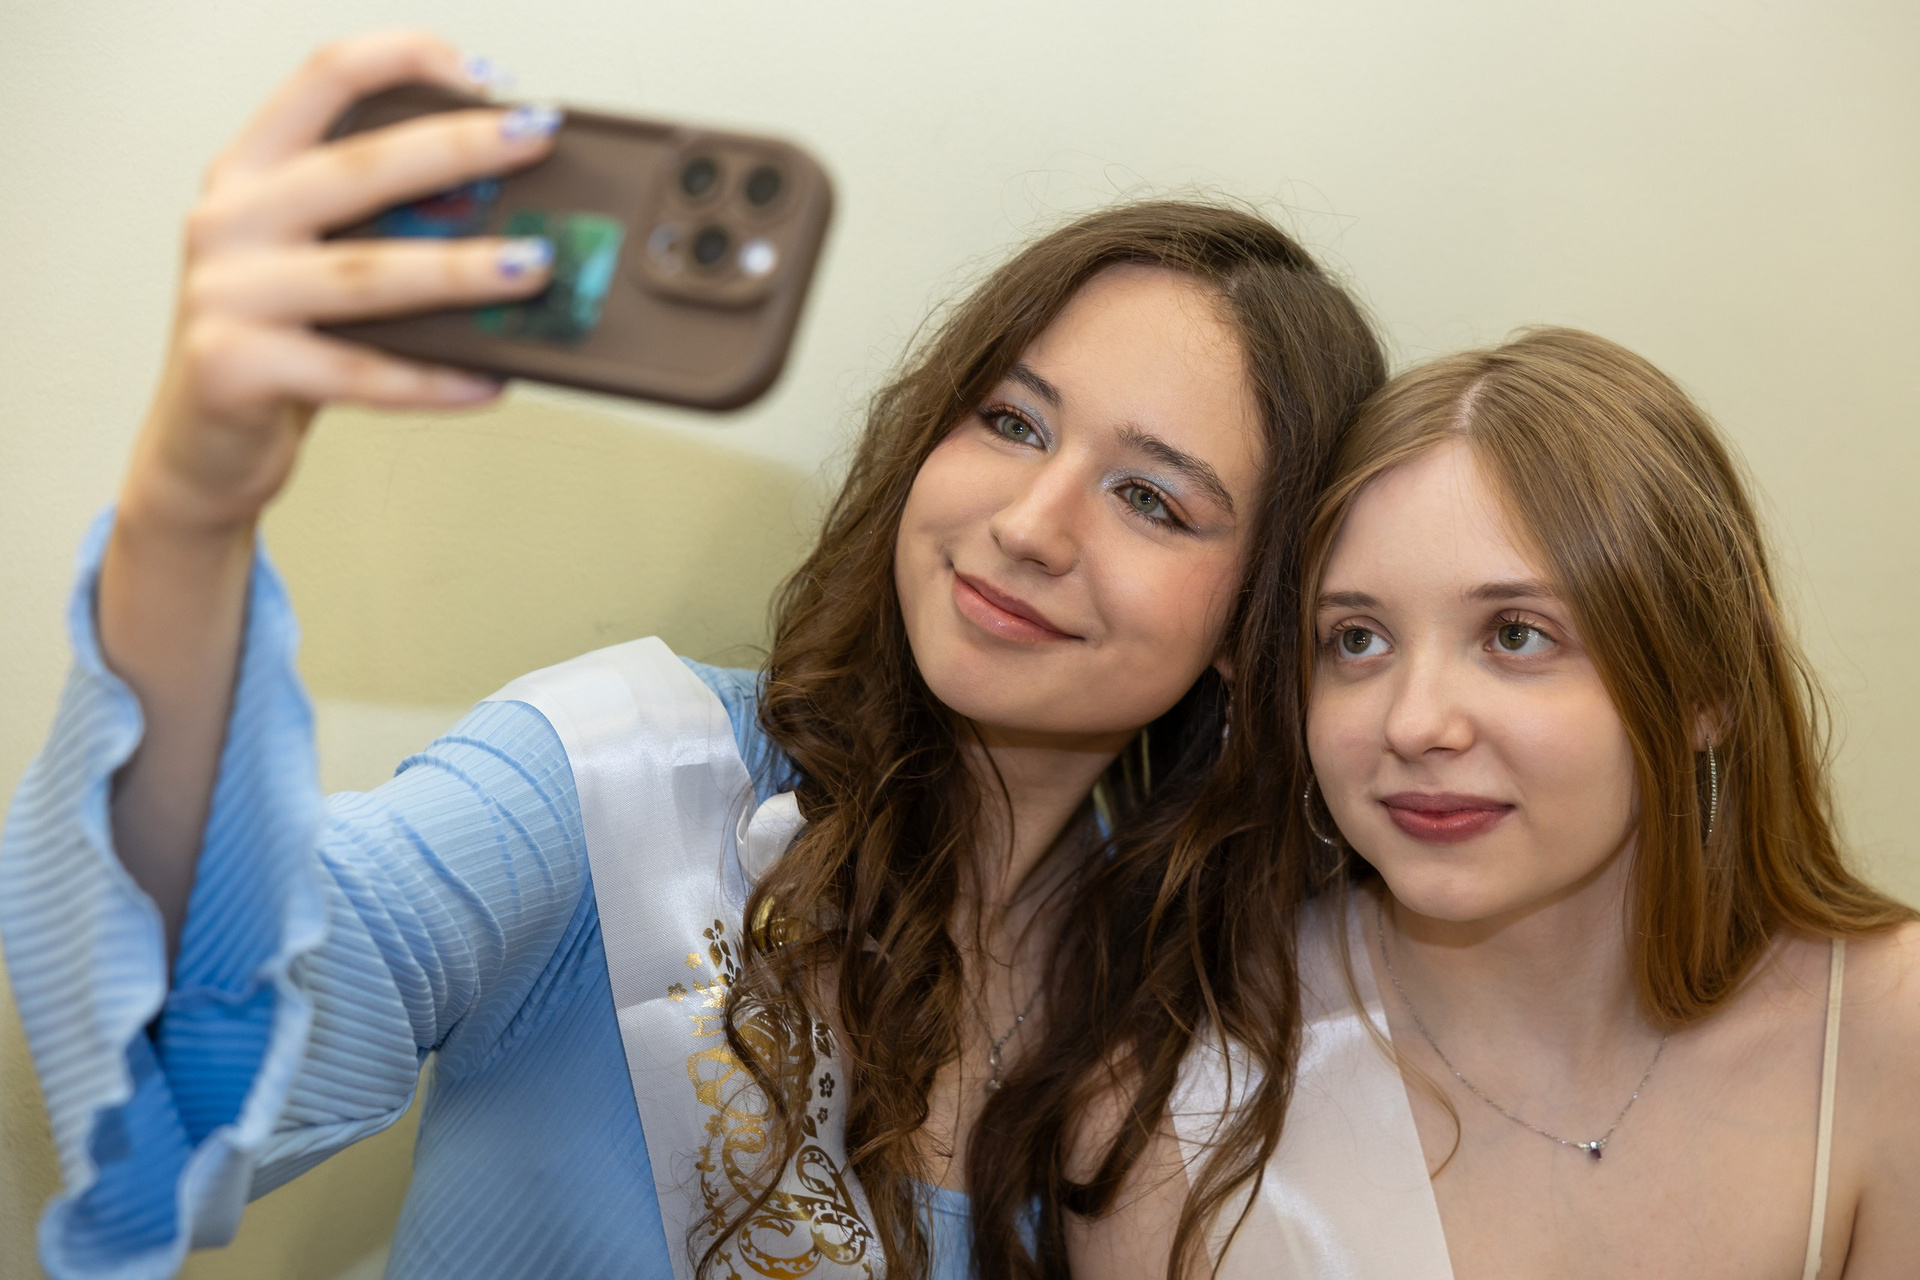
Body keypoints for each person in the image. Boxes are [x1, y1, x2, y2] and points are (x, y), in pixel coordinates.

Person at [0, 31, 1387, 1280]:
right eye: (1011, 422)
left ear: (1251, 626)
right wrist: (193, 504)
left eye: (1151, 498)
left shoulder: (1209, 1021)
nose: (1030, 524)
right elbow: (172, 1065)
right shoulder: (621, 788)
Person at [1181, 327, 1918, 1277]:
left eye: (1516, 634)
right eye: (1357, 640)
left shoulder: (1888, 1031)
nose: (1415, 723)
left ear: (1707, 688)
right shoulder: (1189, 1076)